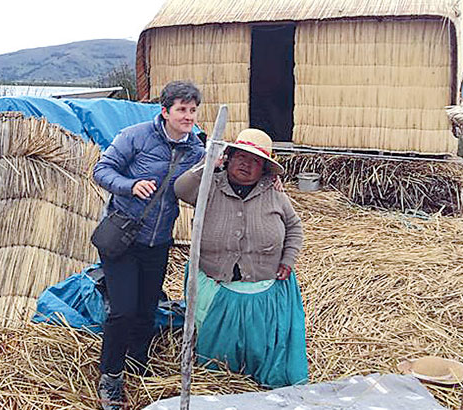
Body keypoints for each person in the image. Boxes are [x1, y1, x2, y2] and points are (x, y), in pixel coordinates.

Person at [92, 81, 205, 409]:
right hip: (124, 238)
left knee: (146, 310)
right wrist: (130, 185)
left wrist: (268, 178)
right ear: (165, 111)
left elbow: (218, 174)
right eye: (182, 110)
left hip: (158, 242)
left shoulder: (196, 151)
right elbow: (102, 169)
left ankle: (137, 365)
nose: (188, 116)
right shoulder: (136, 136)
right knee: (123, 310)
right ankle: (111, 376)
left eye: (193, 110)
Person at [174, 128, 308, 388]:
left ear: (264, 169)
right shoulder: (211, 184)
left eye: (256, 161)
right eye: (241, 157)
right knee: (217, 352)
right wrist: (207, 164)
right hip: (216, 280)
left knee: (262, 344)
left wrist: (288, 259)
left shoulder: (275, 193)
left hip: (263, 284)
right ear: (229, 158)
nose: (246, 164)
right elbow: (180, 189)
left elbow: (294, 227)